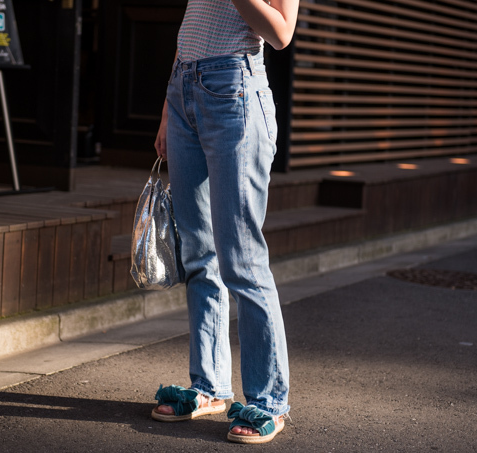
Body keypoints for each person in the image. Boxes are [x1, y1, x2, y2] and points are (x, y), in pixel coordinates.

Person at [151, 0, 299, 444]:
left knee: (243, 260)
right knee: (198, 254)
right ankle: (210, 386)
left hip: (234, 91)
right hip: (185, 91)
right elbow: (193, 23)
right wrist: (168, 108)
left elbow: (281, 32)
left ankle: (268, 400)